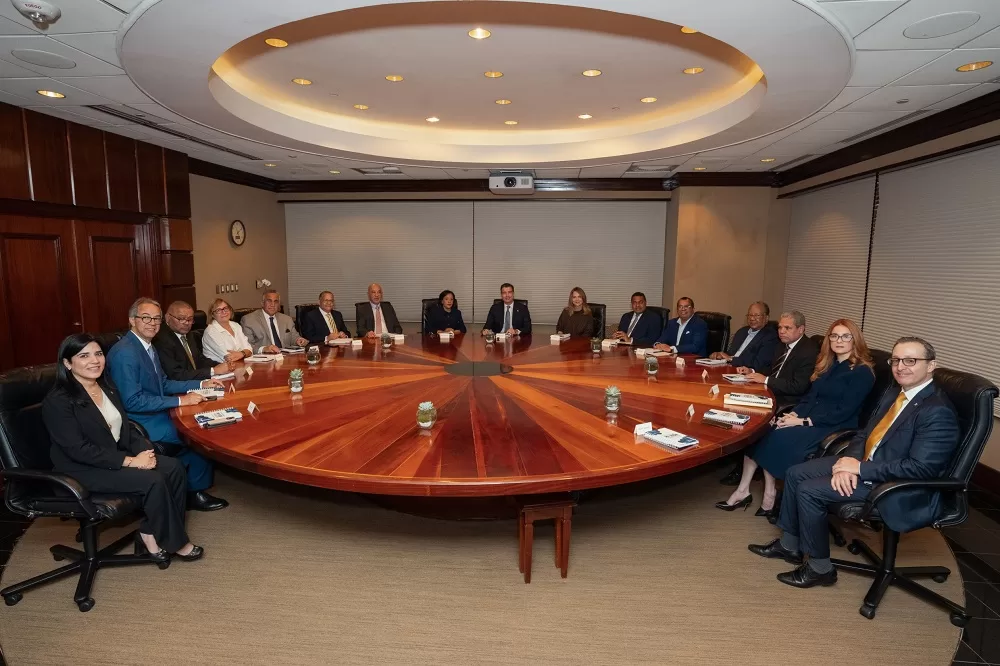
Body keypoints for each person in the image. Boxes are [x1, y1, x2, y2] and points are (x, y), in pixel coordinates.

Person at [749, 336, 959, 589]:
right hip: (867, 463)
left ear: (931, 365)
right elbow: (865, 433)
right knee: (795, 473)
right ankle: (790, 545)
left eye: (911, 360)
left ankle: (820, 569)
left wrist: (858, 469)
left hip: (898, 484)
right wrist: (849, 459)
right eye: (896, 360)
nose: (901, 367)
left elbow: (921, 468)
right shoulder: (896, 392)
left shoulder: (937, 411)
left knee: (809, 490)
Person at [44, 333, 204, 563]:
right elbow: (78, 450)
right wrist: (130, 461)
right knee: (153, 480)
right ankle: (177, 543)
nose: (95, 360)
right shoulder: (58, 400)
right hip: (80, 468)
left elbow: (126, 427)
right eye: (84, 355)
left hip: (111, 456)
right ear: (68, 363)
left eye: (98, 354)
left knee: (174, 468)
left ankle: (149, 532)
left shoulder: (106, 387)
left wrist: (144, 451)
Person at [716, 319, 875, 518]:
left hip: (834, 427)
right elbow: (810, 397)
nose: (839, 340)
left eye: (845, 336)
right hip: (811, 418)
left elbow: (843, 411)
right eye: (834, 336)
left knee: (777, 439)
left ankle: (769, 495)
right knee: (762, 432)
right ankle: (744, 490)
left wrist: (802, 422)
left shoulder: (862, 372)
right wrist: (793, 414)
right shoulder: (829, 365)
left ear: (855, 340)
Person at [106, 298, 228, 512]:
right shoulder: (125, 352)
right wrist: (181, 400)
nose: (152, 323)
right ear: (132, 320)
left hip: (158, 412)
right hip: (140, 422)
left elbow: (163, 383)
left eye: (156, 318)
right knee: (197, 431)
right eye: (146, 317)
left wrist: (201, 384)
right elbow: (132, 400)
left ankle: (192, 489)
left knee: (202, 420)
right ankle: (194, 493)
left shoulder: (146, 346)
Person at [739, 311, 820, 407]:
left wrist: (766, 380)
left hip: (787, 400)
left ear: (801, 329)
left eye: (787, 328)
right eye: (780, 327)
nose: (781, 331)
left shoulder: (809, 351)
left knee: (742, 406)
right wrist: (751, 371)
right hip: (769, 390)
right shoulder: (782, 344)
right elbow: (773, 369)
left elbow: (798, 386)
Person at [153, 301, 233, 381]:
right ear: (167, 317)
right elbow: (176, 375)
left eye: (190, 319)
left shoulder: (188, 333)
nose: (186, 323)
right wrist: (213, 371)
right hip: (180, 388)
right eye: (181, 319)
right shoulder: (161, 339)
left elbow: (199, 359)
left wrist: (222, 366)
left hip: (196, 381)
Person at [709, 301, 779, 371]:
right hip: (728, 368)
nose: (752, 318)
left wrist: (730, 359)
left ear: (766, 318)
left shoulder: (770, 337)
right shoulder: (742, 332)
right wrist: (720, 355)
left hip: (745, 373)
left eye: (757, 315)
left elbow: (758, 363)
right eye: (750, 315)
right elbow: (731, 353)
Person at [241, 289, 309, 352]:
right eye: (269, 301)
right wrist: (264, 349)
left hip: (286, 358)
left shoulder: (287, 319)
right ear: (262, 303)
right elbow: (247, 346)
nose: (272, 305)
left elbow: (294, 337)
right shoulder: (249, 320)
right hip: (264, 360)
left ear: (279, 305)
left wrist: (299, 340)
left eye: (276, 302)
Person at [202, 298, 253, 363]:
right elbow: (228, 357)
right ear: (212, 315)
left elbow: (250, 350)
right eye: (218, 310)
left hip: (241, 365)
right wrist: (244, 353)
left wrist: (241, 354)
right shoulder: (210, 332)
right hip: (222, 370)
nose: (224, 312)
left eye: (225, 308)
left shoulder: (236, 325)